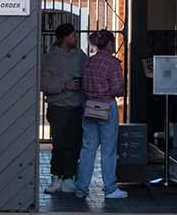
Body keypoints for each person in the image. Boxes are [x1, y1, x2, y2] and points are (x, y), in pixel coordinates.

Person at [75, 29, 128, 200]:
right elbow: (118, 89)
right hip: (107, 105)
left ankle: (81, 188)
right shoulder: (112, 63)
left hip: (90, 106)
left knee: (88, 148)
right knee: (108, 149)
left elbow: (83, 85)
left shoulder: (89, 62)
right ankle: (110, 188)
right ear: (110, 44)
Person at [40, 23, 86, 194]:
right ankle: (56, 177)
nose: (76, 38)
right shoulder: (49, 58)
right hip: (57, 107)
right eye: (73, 35)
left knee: (74, 144)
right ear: (64, 37)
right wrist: (64, 85)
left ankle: (69, 177)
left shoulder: (81, 56)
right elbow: (43, 84)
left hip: (76, 106)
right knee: (58, 143)